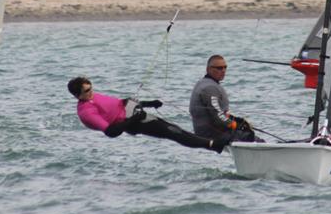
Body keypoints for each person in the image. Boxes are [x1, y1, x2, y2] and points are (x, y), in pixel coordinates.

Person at [67, 76, 230, 153]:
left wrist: (149, 103)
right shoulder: (87, 113)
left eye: (91, 87)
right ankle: (214, 145)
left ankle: (212, 143)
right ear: (77, 95)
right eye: (88, 91)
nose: (92, 92)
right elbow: (111, 132)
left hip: (135, 114)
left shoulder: (93, 97)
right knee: (173, 133)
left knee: (174, 129)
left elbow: (120, 104)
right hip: (134, 122)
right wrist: (132, 119)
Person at [189, 54, 257, 142]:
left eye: (225, 67)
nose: (223, 70)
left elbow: (219, 112)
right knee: (249, 135)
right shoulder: (210, 88)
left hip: (214, 131)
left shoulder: (206, 83)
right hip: (211, 134)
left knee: (248, 133)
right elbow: (218, 117)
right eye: (219, 68)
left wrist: (238, 120)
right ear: (208, 69)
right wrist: (236, 125)